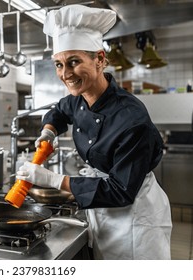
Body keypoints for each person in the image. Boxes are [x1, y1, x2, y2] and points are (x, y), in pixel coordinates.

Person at [16, 4, 172, 260]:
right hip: (104, 210)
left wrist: (54, 180)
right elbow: (59, 111)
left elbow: (121, 190)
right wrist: (48, 132)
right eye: (58, 64)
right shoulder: (77, 99)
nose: (65, 74)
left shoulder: (131, 118)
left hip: (135, 215)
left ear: (100, 59)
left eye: (74, 62)